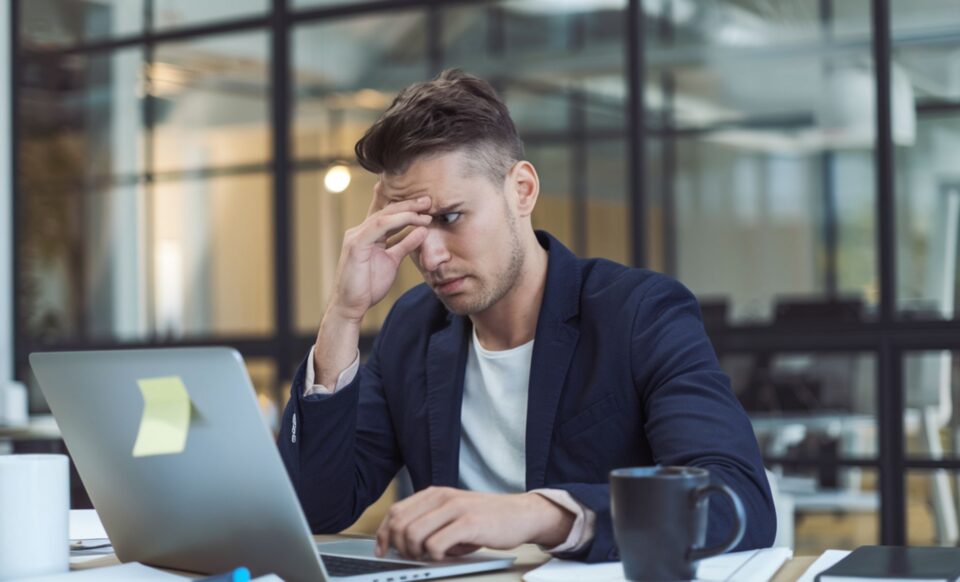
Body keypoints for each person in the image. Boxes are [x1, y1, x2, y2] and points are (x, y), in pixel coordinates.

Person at [278, 69, 775, 564]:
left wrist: (539, 514)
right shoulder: (413, 327)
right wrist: (344, 314)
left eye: (450, 218)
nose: (429, 257)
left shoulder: (639, 312)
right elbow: (318, 508)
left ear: (522, 189)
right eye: (411, 228)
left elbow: (738, 502)